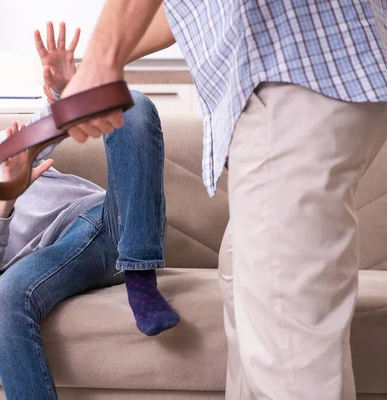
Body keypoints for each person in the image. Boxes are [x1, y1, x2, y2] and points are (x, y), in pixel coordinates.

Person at [60, 1, 387, 399]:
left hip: (293, 79)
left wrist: (101, 62)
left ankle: (138, 274)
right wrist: (100, 64)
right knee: (244, 287)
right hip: (331, 76)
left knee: (289, 365)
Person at [0, 22, 178, 400]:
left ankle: (139, 274)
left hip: (114, 220)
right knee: (1, 300)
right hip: (63, 259)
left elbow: (49, 124)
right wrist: (5, 199)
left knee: (129, 102)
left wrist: (62, 92)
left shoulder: (5, 148)